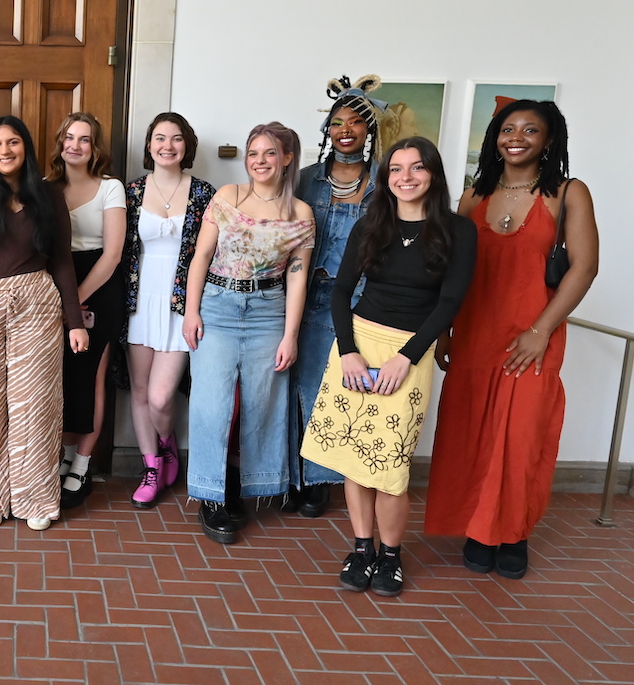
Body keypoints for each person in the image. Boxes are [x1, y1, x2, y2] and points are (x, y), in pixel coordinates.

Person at [426, 100, 598, 579]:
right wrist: (444, 331)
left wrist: (542, 330)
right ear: (494, 137)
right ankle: (479, 531)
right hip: (475, 334)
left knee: (522, 437)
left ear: (549, 140)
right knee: (471, 431)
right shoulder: (471, 196)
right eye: (507, 128)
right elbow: (450, 274)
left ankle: (513, 532)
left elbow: (584, 268)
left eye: (530, 129)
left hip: (533, 336)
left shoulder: (568, 193)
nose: (516, 136)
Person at [302, 138, 477, 595]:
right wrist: (349, 351)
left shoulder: (459, 231)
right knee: (353, 459)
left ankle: (392, 556)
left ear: (434, 175)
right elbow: (341, 293)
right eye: (396, 169)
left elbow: (451, 302)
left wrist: (408, 356)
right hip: (357, 344)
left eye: (417, 168)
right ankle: (362, 548)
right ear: (386, 178)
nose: (405, 177)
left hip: (410, 352)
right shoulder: (370, 224)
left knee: (390, 465)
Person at [0, 116, 89, 531]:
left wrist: (75, 321)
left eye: (13, 142)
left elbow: (62, 260)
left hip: (38, 303)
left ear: (26, 147)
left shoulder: (47, 196)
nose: (4, 151)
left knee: (37, 403)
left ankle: (36, 497)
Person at [183, 123, 315, 544]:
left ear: (288, 158)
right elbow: (201, 256)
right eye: (253, 152)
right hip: (219, 305)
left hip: (267, 312)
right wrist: (191, 312)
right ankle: (212, 496)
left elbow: (297, 278)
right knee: (212, 404)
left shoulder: (301, 215)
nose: (259, 160)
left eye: (269, 153)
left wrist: (290, 334)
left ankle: (243, 485)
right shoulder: (229, 197)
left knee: (263, 402)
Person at [289, 75, 396, 519]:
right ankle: (305, 478)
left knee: (352, 390)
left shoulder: (385, 181)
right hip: (309, 296)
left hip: (364, 301)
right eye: (337, 122)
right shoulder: (306, 179)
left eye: (356, 122)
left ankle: (340, 477)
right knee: (306, 388)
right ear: (326, 130)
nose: (346, 129)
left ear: (369, 130)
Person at [123, 113, 215, 509]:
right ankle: (151, 465)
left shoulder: (205, 194)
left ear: (186, 145)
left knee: (162, 398)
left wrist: (196, 308)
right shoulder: (129, 193)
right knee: (141, 392)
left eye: (176, 139)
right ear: (149, 145)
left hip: (182, 305)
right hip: (138, 303)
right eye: (159, 138)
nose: (167, 146)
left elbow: (213, 254)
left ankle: (167, 443)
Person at [47, 112, 125, 509]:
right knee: (57, 378)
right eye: (69, 137)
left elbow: (112, 255)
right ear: (60, 143)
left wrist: (73, 299)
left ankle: (82, 463)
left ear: (95, 148)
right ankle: (60, 456)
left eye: (85, 139)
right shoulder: (45, 188)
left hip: (98, 285)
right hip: (53, 286)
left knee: (90, 376)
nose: (75, 145)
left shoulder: (111, 188)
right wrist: (59, 297)